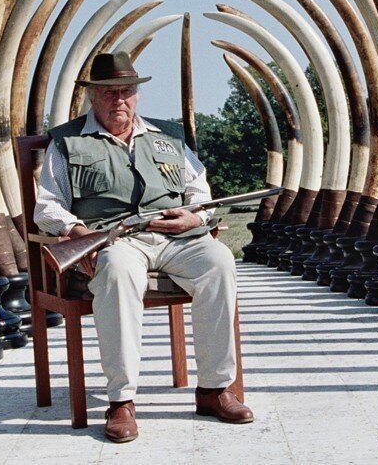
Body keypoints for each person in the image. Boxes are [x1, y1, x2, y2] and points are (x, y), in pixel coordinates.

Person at [34, 51, 253, 443]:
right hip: (117, 241)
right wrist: (78, 232)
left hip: (176, 236)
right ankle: (120, 400)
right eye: (109, 92)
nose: (119, 99)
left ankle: (215, 390)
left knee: (220, 261)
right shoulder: (67, 142)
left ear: (137, 94)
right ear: (91, 97)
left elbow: (198, 192)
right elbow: (48, 207)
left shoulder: (168, 137)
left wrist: (196, 218)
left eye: (127, 91)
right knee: (117, 271)